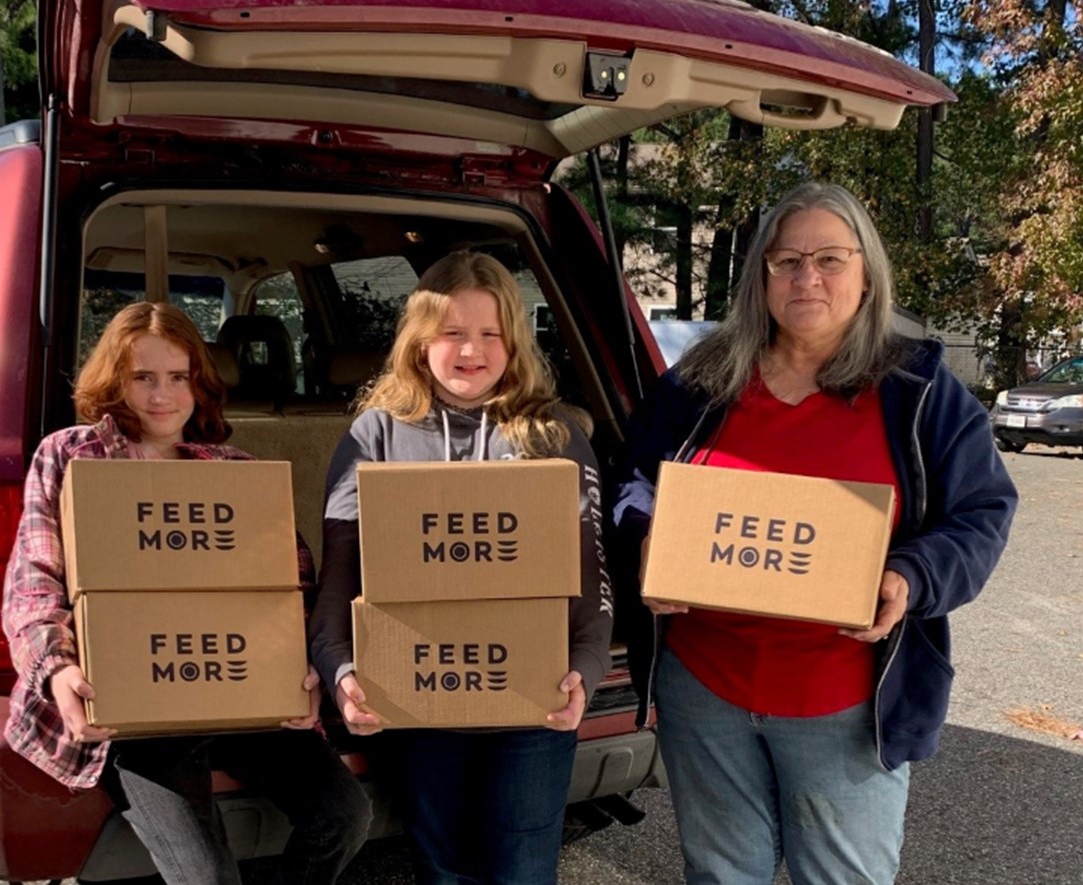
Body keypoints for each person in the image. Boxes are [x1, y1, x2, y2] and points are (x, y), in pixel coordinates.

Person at [612, 182, 1017, 885]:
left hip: (845, 698)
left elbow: (983, 510)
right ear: (759, 274)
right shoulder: (703, 381)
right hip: (705, 688)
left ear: (866, 273)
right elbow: (631, 479)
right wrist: (647, 538)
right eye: (787, 259)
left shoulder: (918, 390)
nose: (807, 277)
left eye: (830, 258)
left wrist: (912, 575)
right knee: (719, 873)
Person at [2, 301, 371, 885]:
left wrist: (302, 669)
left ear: (200, 383)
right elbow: (33, 580)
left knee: (345, 815)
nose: (160, 395)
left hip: (238, 690)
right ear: (113, 381)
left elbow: (290, 585)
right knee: (207, 878)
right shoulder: (70, 458)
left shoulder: (234, 469)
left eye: (178, 378)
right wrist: (57, 670)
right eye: (142, 377)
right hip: (134, 709)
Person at [309, 251, 614, 885]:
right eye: (452, 332)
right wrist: (341, 674)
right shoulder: (376, 436)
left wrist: (585, 671)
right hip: (423, 699)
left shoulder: (553, 435)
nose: (470, 350)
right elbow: (339, 581)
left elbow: (590, 578)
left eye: (489, 333)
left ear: (513, 341)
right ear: (421, 343)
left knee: (523, 872)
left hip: (534, 700)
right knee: (442, 870)